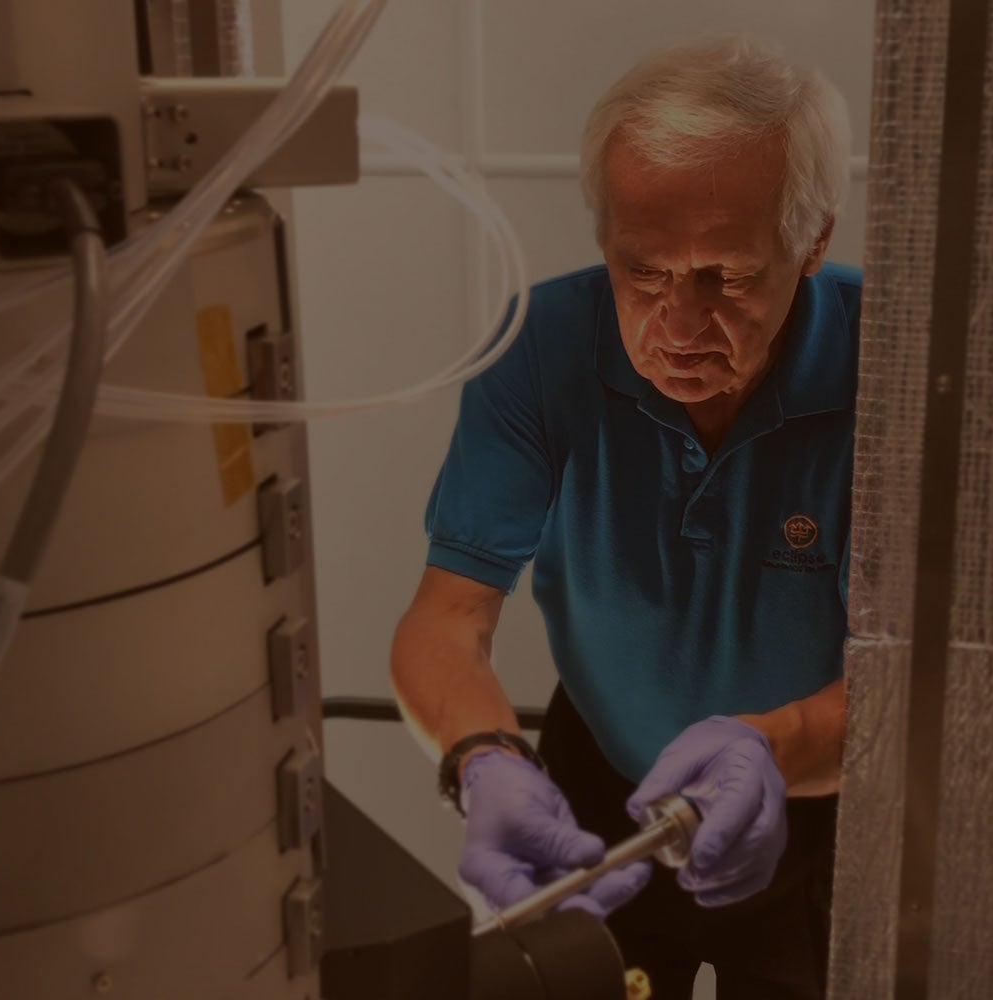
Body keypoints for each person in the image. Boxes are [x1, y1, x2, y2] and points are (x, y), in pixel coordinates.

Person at [390, 33, 857, 1000]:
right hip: (602, 785)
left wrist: (780, 749)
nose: (678, 328)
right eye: (642, 273)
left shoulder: (893, 363)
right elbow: (449, 616)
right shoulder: (539, 351)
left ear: (814, 241)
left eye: (724, 278)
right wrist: (480, 760)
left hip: (826, 801)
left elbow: (950, 682)